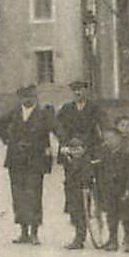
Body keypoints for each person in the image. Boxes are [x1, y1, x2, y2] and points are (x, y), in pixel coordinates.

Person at [0, 83, 55, 244]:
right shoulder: (15, 112)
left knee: (34, 194)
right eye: (23, 97)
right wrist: (7, 140)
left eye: (29, 96)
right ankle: (23, 231)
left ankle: (34, 232)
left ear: (35, 97)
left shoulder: (43, 113)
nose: (26, 99)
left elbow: (56, 128)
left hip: (35, 160)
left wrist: (67, 143)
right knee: (19, 195)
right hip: (16, 160)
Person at [55, 79, 103, 241]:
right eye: (74, 90)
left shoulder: (94, 108)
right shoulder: (66, 109)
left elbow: (102, 129)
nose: (77, 93)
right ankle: (78, 233)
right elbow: (58, 128)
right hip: (71, 154)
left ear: (86, 91)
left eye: (80, 89)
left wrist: (88, 146)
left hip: (89, 154)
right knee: (72, 191)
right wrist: (64, 144)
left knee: (90, 190)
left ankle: (96, 222)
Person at [98, 118, 129, 252]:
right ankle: (112, 240)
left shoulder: (127, 153)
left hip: (124, 187)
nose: (108, 141)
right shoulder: (104, 152)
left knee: (127, 215)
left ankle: (128, 239)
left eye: (111, 138)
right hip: (109, 188)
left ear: (118, 138)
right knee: (111, 215)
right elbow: (100, 170)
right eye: (106, 138)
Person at [58, 135, 96, 251]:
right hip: (71, 191)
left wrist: (86, 187)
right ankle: (78, 237)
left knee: (81, 215)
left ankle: (79, 239)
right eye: (73, 149)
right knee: (74, 215)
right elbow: (62, 160)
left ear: (84, 149)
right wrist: (65, 154)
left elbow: (88, 176)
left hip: (81, 192)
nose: (76, 152)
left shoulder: (86, 161)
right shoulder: (69, 160)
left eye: (78, 149)